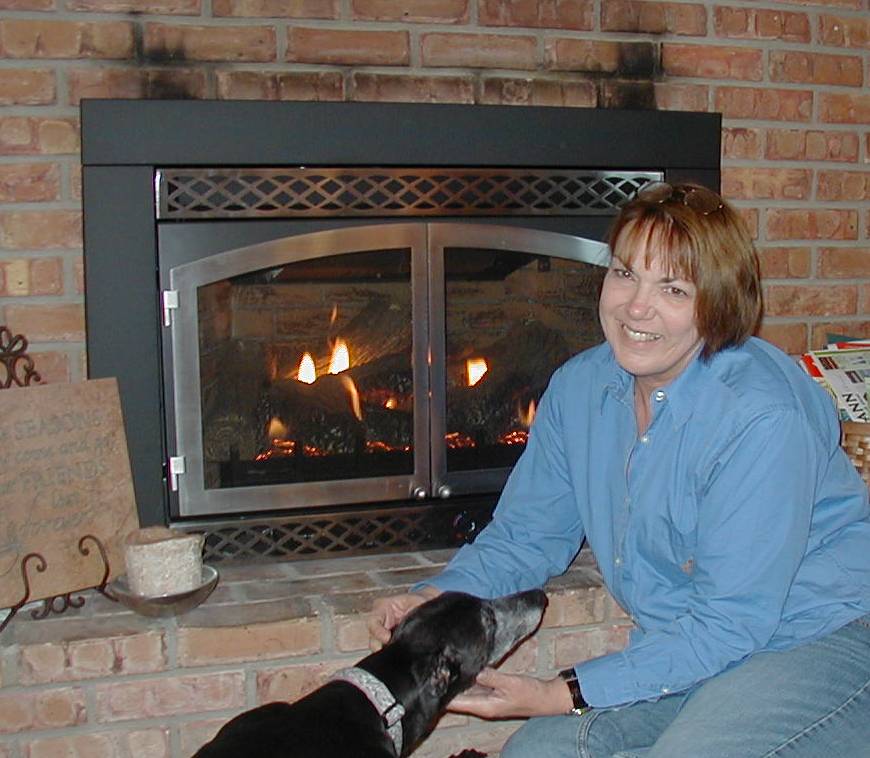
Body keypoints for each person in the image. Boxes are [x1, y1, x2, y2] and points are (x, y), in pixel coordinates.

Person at [368, 182, 870, 757]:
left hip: (822, 638)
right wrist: (434, 597)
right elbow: (528, 535)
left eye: (673, 288)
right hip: (690, 647)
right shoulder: (580, 389)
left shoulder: (760, 417)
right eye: (626, 274)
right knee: (537, 753)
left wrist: (561, 692)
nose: (635, 307)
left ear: (719, 303)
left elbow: (731, 622)